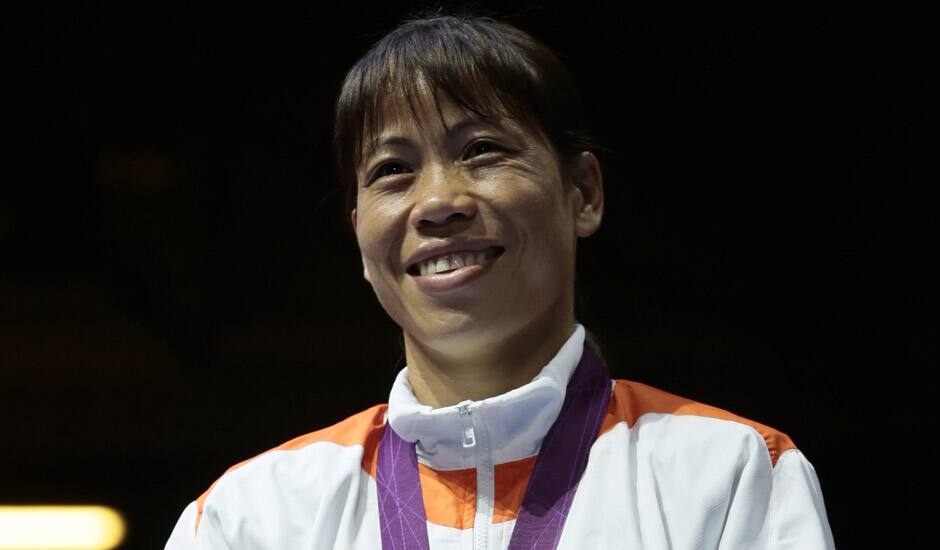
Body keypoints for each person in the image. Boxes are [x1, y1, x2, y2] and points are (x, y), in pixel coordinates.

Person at [166, 12, 835, 550]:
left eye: (481, 150)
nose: (437, 201)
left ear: (584, 193)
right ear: (361, 242)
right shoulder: (249, 519)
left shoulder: (731, 475)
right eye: (392, 170)